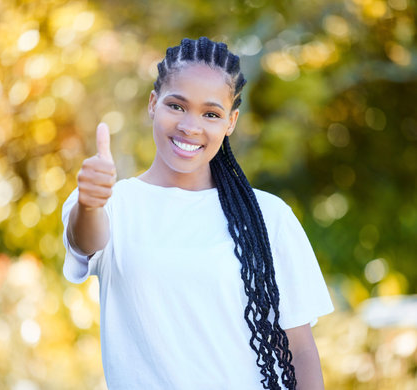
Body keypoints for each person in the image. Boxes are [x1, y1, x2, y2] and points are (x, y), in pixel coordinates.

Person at [62, 37, 334, 390]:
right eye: (176, 106)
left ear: (231, 121)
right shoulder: (111, 204)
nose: (191, 126)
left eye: (210, 114)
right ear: (152, 103)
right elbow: (85, 241)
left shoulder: (269, 217)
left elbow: (300, 351)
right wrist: (89, 203)